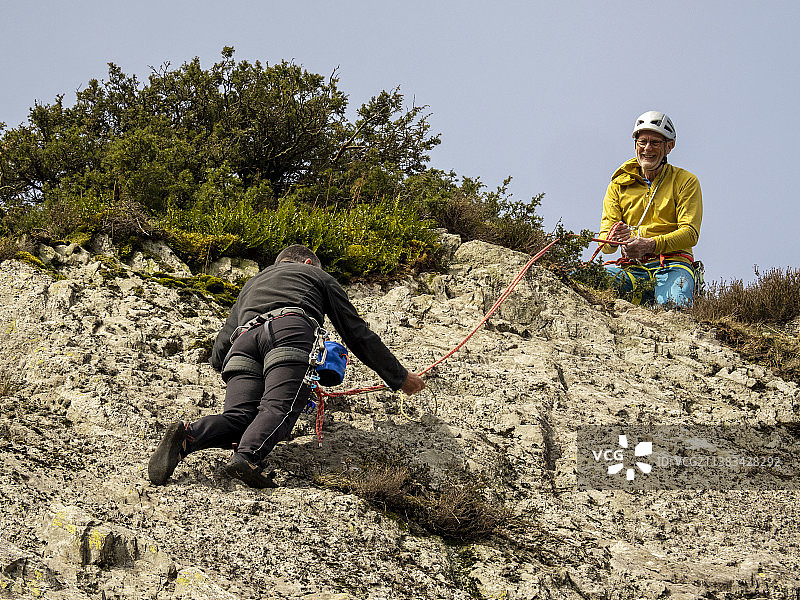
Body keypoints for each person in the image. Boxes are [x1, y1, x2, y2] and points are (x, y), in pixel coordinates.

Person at [148, 244, 426, 488]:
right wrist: (400, 378)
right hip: (290, 331)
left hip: (242, 343)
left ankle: (188, 436)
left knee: (241, 418)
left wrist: (232, 370)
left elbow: (221, 346)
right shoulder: (316, 274)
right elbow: (356, 333)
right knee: (279, 408)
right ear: (308, 263)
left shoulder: (252, 284)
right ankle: (247, 459)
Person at [599, 111, 702, 307]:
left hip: (673, 265)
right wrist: (614, 239)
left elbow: (690, 234)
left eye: (655, 142)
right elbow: (605, 245)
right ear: (635, 144)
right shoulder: (619, 184)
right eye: (642, 141)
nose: (647, 148)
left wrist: (650, 244)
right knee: (578, 280)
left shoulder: (685, 181)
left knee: (674, 306)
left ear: (669, 146)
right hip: (631, 269)